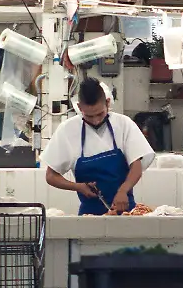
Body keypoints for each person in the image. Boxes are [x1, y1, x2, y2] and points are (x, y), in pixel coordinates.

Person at [42, 77, 154, 214]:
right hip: (89, 215)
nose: (96, 120)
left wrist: (123, 190)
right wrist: (78, 187)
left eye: (100, 114)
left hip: (126, 212)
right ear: (79, 107)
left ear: (107, 103)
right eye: (89, 116)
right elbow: (51, 176)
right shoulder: (67, 130)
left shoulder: (123, 124)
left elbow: (136, 164)